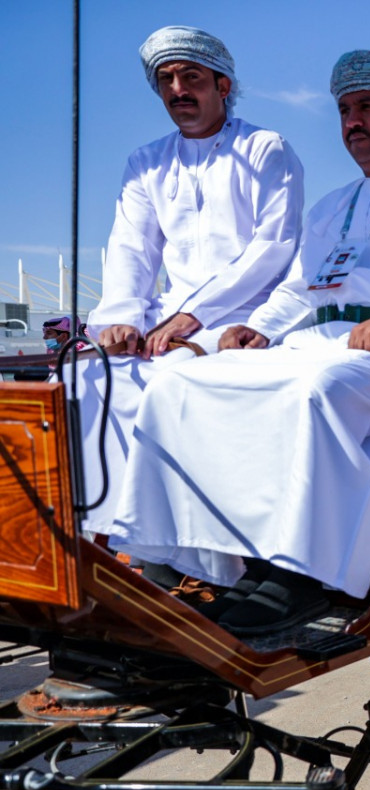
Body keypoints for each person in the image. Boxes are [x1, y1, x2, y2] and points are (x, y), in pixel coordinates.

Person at [105, 50, 370, 634]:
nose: (351, 121)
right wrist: (262, 327)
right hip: (316, 346)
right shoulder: (330, 207)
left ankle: (300, 577)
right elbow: (300, 289)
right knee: (178, 381)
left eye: (367, 107)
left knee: (314, 391)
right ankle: (178, 555)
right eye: (345, 110)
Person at [77, 26, 304, 538]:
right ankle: (96, 537)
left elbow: (272, 248)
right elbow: (131, 249)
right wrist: (121, 320)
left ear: (223, 86)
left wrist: (194, 315)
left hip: (244, 319)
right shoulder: (146, 162)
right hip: (166, 319)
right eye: (166, 80)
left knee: (172, 382)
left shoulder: (267, 149)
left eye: (191, 77)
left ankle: (173, 545)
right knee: (82, 381)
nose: (178, 89)